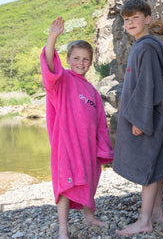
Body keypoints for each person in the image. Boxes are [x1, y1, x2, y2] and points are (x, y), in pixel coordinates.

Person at [40, 17, 113, 239]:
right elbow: (50, 65)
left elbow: (100, 124)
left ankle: (89, 217)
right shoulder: (61, 81)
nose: (81, 63)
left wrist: (104, 149)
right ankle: (63, 230)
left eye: (86, 59)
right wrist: (52, 37)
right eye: (76, 58)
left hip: (87, 146)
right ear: (69, 60)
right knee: (65, 185)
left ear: (91, 62)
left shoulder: (92, 91)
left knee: (89, 180)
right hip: (66, 145)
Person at [113, 0, 163, 235]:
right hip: (155, 115)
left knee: (146, 165)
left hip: (148, 116)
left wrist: (140, 121)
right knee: (156, 162)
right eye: (126, 19)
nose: (130, 23)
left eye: (135, 18)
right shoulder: (144, 45)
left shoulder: (145, 48)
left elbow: (146, 87)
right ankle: (157, 212)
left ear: (147, 19)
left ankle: (144, 220)